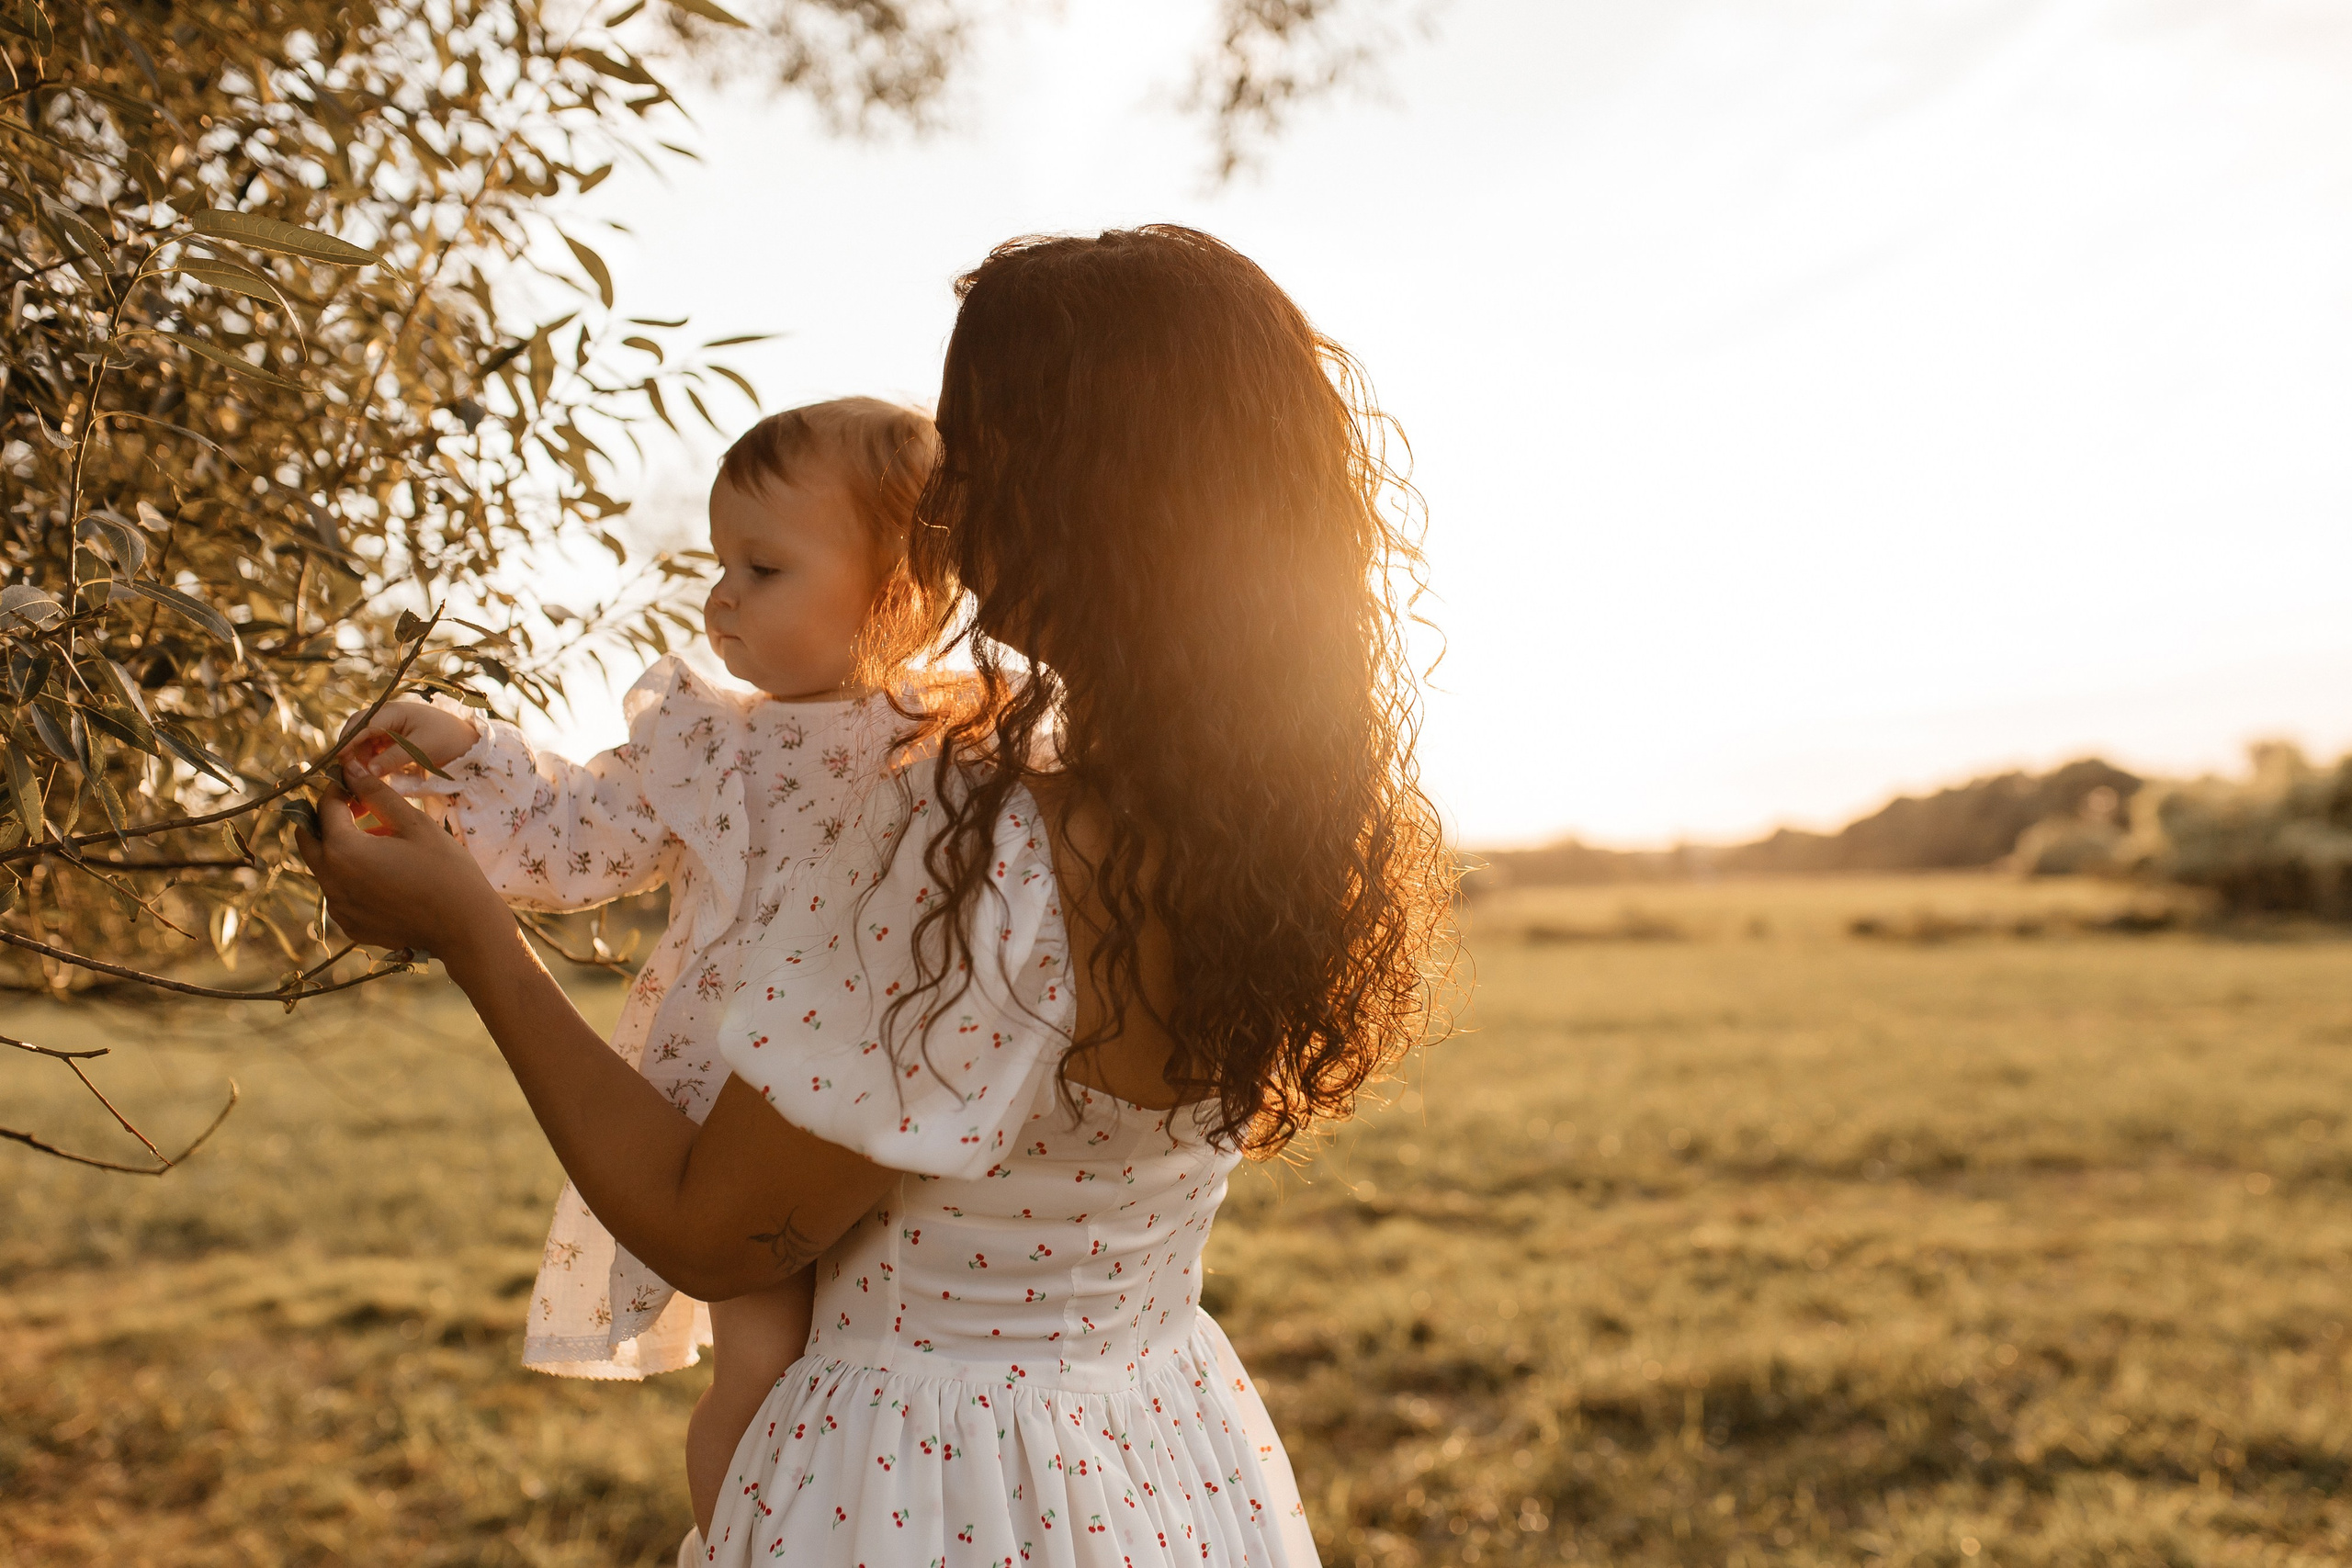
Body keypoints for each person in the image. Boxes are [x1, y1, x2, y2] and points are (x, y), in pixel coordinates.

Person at [303, 224, 1454, 1568]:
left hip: (919, 1486)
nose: (946, 502)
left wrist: (469, 930)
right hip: (1157, 1455)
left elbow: (709, 1225)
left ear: (1093, 490)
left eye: (976, 450)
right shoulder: (1272, 831)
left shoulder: (987, 846)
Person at [340, 396, 941, 1542]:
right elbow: (573, 834)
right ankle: (738, 1547)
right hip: (733, 1118)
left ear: (901, 590)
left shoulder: (954, 746)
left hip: (890, 1114)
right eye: (721, 563)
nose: (721, 598)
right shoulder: (712, 741)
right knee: (762, 1369)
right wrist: (455, 742)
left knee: (877, 1378)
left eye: (762, 567)